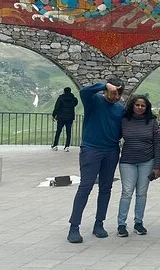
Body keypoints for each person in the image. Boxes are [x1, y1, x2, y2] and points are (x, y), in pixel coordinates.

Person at [67, 79, 125, 244]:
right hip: (91, 150)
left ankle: (99, 223)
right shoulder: (94, 100)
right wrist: (104, 85)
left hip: (111, 151)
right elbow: (84, 91)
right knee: (85, 187)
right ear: (106, 90)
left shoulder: (121, 109)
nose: (115, 96)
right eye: (113, 92)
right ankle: (74, 226)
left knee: (106, 188)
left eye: (118, 93)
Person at [116, 95, 160, 237]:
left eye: (143, 106)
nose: (140, 108)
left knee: (141, 193)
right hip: (127, 161)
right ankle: (121, 224)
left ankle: (138, 222)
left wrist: (157, 166)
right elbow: (114, 136)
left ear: (147, 108)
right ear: (132, 106)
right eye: (137, 105)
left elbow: (157, 144)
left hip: (146, 161)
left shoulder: (152, 122)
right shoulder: (124, 120)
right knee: (127, 192)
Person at [51, 87, 79, 152]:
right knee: (68, 132)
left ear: (64, 91)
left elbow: (57, 107)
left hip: (61, 117)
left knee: (58, 131)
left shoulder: (60, 98)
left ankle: (55, 145)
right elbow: (75, 104)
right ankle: (67, 146)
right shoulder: (73, 99)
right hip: (70, 118)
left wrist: (54, 115)